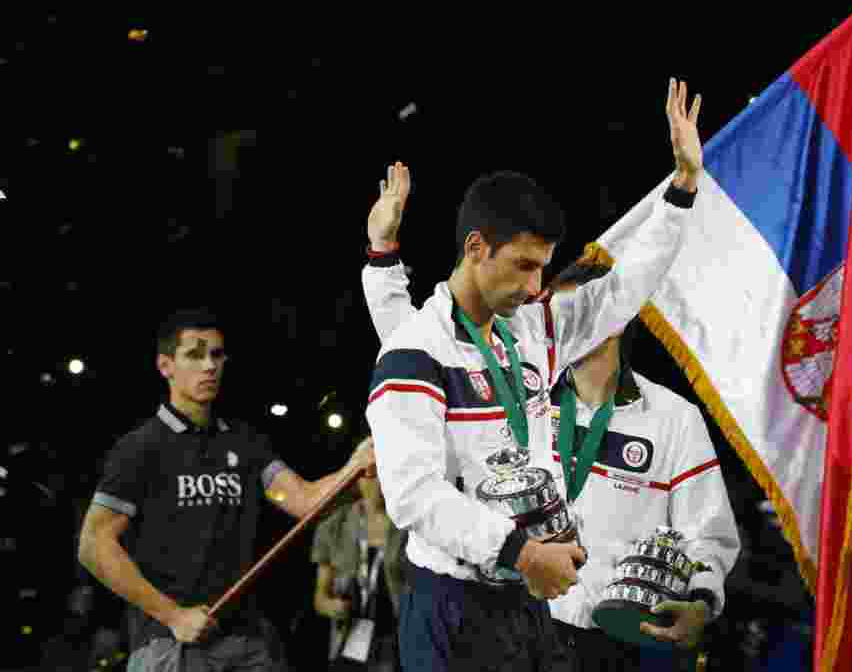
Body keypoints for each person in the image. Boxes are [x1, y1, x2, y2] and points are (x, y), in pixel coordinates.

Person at [365, 78, 708, 672]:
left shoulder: (531, 329)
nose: (533, 288)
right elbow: (413, 498)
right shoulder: (412, 353)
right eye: (523, 265)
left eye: (542, 269)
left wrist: (682, 189)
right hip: (454, 605)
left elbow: (623, 290)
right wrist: (521, 553)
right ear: (476, 247)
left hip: (526, 600)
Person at [78, 307, 374, 672]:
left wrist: (357, 469)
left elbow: (304, 501)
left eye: (216, 355)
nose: (209, 366)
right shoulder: (140, 448)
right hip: (169, 643)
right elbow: (93, 545)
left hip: (246, 641)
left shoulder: (244, 442)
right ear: (165, 365)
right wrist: (172, 615)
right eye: (194, 355)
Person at [312, 440, 408, 671]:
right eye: (369, 472)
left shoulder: (410, 526)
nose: (376, 481)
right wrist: (333, 606)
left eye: (383, 471)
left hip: (397, 641)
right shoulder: (334, 526)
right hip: (349, 642)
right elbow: (319, 599)